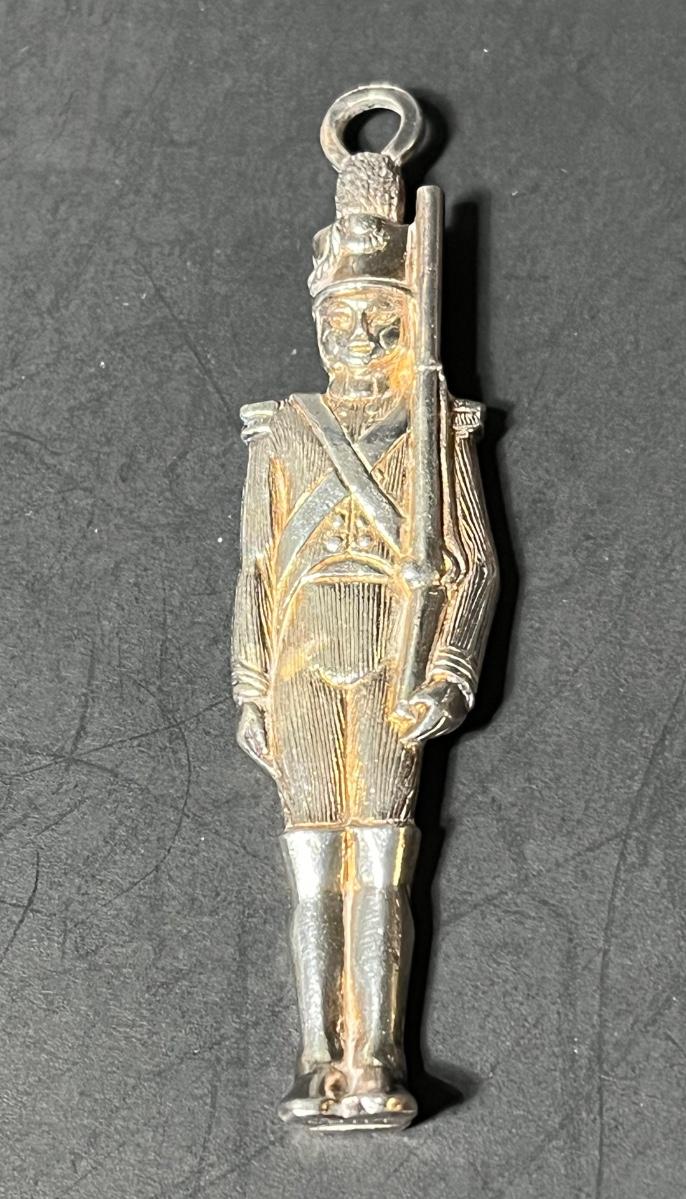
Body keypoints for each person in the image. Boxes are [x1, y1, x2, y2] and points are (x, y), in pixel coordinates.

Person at [232, 149, 498, 1128]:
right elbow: (256, 568)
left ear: (407, 319)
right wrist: (250, 684)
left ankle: (377, 1050)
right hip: (302, 668)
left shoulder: (437, 428)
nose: (361, 336)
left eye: (382, 317)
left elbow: (473, 565)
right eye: (342, 318)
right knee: (312, 866)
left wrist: (450, 669)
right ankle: (316, 1054)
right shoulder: (282, 432)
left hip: (392, 662)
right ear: (317, 323)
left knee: (384, 861)